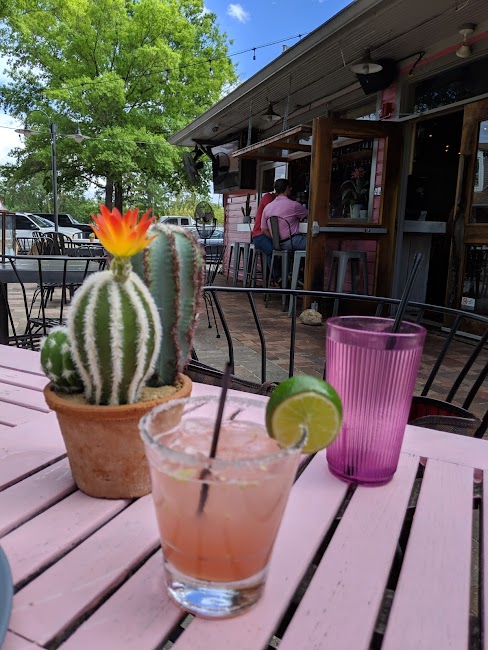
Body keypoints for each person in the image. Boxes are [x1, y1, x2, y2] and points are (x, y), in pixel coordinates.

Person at [262, 178, 308, 251]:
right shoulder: (294, 205)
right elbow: (310, 216)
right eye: (290, 187)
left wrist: (276, 239)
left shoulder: (267, 207)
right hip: (293, 241)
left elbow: (263, 229)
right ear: (287, 188)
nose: (291, 189)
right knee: (315, 244)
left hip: (277, 244)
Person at [251, 189, 280, 283]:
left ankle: (279, 278)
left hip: (269, 235)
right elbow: (273, 212)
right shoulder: (268, 197)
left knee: (282, 250)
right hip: (259, 235)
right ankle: (278, 278)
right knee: (272, 250)